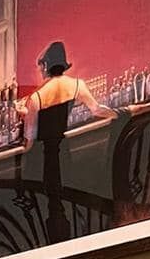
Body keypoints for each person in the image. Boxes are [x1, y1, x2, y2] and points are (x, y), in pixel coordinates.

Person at [21, 40, 118, 241]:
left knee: (52, 203)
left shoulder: (36, 98)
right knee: (67, 196)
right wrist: (120, 113)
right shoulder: (77, 85)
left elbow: (29, 141)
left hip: (45, 156)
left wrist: (23, 114)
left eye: (40, 67)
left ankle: (57, 240)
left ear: (45, 66)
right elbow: (98, 110)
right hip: (64, 149)